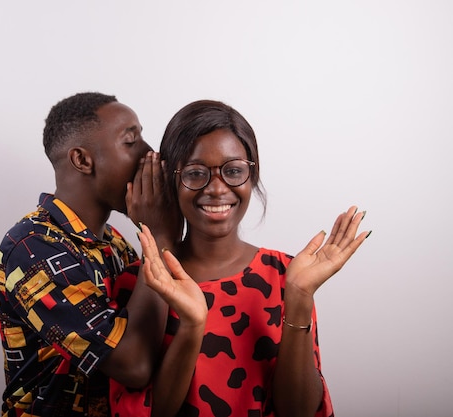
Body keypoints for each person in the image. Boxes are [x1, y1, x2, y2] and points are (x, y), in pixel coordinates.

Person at [110, 99, 371, 417]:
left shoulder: (286, 274)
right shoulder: (138, 280)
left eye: (233, 171)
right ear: (170, 181)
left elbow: (299, 412)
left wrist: (300, 297)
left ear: (252, 176)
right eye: (195, 173)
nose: (217, 189)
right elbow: (142, 411)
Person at [0, 92, 179, 417]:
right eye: (130, 141)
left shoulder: (115, 242)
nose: (150, 153)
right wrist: (160, 236)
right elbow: (134, 364)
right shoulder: (32, 247)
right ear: (82, 160)